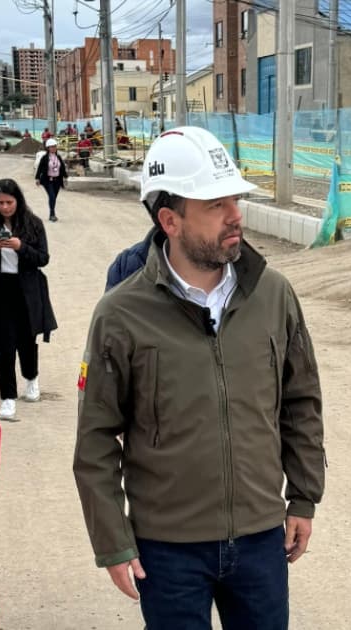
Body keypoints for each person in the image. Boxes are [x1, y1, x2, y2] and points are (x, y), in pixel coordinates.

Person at [73, 126, 326, 630]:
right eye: (215, 204)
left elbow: (300, 402)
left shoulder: (273, 295)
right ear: (170, 220)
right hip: (167, 552)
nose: (236, 215)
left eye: (234, 198)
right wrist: (113, 542)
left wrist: (302, 496)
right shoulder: (120, 314)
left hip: (260, 541)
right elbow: (96, 439)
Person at [0, 178, 57, 421]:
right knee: (3, 345)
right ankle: (8, 398)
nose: (5, 207)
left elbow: (43, 258)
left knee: (26, 339)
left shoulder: (33, 224)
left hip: (26, 289)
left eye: (9, 202)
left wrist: (20, 246)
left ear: (18, 201)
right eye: (0, 202)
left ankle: (31, 377)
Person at [34, 138, 67, 223]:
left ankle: (52, 213)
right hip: (48, 180)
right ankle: (52, 214)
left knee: (54, 198)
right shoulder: (45, 158)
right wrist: (37, 178)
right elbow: (40, 168)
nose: (53, 148)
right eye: (51, 147)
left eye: (55, 146)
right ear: (48, 148)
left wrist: (65, 177)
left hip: (57, 181)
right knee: (52, 196)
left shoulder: (58, 157)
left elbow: (62, 168)